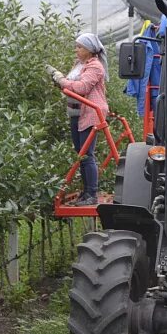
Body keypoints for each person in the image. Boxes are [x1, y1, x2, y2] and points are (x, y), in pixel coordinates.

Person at [61, 33, 109, 205]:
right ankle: (85, 191)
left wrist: (62, 81)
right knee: (80, 154)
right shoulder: (79, 65)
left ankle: (91, 194)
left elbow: (82, 87)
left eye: (80, 47)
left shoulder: (95, 66)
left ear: (89, 50)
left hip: (90, 114)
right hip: (77, 113)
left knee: (86, 154)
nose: (76, 50)